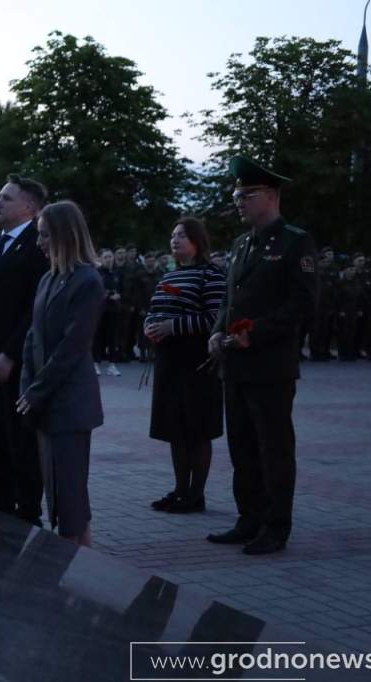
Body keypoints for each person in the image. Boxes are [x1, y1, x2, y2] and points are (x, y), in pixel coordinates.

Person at [207, 156, 318, 556]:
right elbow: (229, 299)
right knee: (242, 448)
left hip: (270, 366)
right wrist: (218, 331)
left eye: (245, 194)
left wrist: (253, 334)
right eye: (236, 194)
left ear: (270, 196)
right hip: (235, 366)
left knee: (274, 450)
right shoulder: (241, 245)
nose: (237, 201)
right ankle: (248, 517)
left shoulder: (294, 242)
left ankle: (276, 526)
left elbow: (302, 305)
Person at [16, 200, 104, 545]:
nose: (39, 243)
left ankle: (80, 572)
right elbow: (32, 336)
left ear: (65, 236)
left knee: (70, 497)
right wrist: (27, 386)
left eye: (44, 235)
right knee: (57, 494)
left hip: (69, 404)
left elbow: (72, 349)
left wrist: (36, 392)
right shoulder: (49, 279)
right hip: (46, 400)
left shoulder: (87, 281)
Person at [0, 174, 48, 525]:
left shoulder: (38, 244)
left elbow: (36, 307)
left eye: (6, 198)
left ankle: (28, 508)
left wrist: (11, 354)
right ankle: (1, 498)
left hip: (18, 359)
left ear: (29, 207)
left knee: (21, 435)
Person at [144, 217, 226, 514]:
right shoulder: (169, 277)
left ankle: (196, 494)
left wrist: (172, 327)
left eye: (181, 235)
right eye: (172, 235)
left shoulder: (211, 275)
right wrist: (150, 325)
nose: (174, 240)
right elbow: (154, 309)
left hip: (198, 362)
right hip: (170, 362)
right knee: (175, 428)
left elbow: (214, 319)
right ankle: (180, 490)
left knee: (197, 429)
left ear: (196, 240)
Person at [93, 248, 123, 376]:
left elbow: (121, 289)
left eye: (110, 256)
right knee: (98, 337)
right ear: (100, 259)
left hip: (114, 310)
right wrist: (109, 295)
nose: (108, 259)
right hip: (100, 310)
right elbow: (96, 291)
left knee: (112, 338)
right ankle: (95, 363)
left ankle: (112, 364)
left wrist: (119, 296)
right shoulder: (97, 273)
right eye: (105, 257)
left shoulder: (116, 273)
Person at [309, 247, 337, 361]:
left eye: (325, 262)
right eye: (322, 262)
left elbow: (332, 291)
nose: (324, 264)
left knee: (324, 331)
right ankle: (315, 353)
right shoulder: (312, 274)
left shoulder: (328, 274)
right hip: (315, 307)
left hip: (326, 306)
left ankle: (323, 351)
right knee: (315, 331)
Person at [132, 253, 160, 362]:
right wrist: (139, 308)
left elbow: (164, 289)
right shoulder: (140, 275)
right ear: (145, 262)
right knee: (142, 331)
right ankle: (143, 353)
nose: (151, 263)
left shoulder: (159, 274)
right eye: (149, 260)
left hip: (156, 307)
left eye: (153, 260)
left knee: (154, 330)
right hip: (144, 306)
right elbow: (136, 293)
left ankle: (152, 353)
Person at [335, 264, 365, 361]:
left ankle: (350, 353)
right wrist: (340, 310)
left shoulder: (356, 282)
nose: (352, 271)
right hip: (344, 310)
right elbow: (338, 298)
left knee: (352, 332)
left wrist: (360, 309)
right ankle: (342, 353)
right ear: (345, 271)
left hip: (354, 310)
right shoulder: (341, 282)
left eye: (353, 269)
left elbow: (360, 296)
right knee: (343, 332)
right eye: (350, 269)